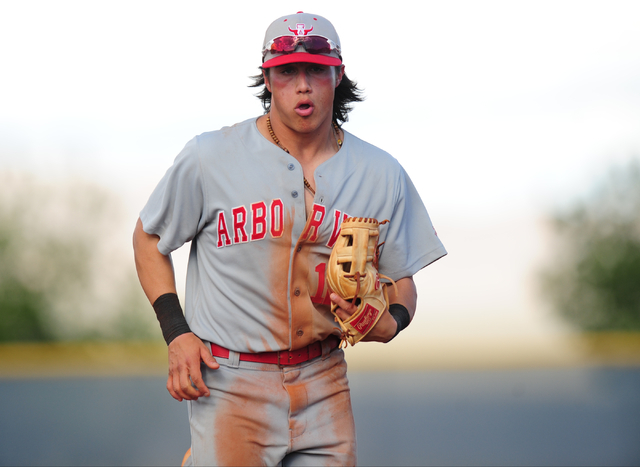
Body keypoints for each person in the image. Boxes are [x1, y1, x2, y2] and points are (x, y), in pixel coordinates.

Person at [133, 11, 446, 466]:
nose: (303, 84)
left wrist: (393, 320)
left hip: (324, 379)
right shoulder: (211, 157)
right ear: (268, 78)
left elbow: (402, 279)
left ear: (337, 74)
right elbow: (148, 240)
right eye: (287, 71)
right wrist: (176, 334)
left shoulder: (381, 173)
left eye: (316, 69)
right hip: (231, 382)